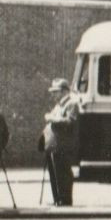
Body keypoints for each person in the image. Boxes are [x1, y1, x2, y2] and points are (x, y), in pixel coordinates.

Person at [42, 77, 83, 206]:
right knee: (56, 173)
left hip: (63, 144)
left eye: (56, 91)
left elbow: (70, 121)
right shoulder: (59, 105)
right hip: (55, 145)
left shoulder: (71, 104)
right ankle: (58, 199)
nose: (53, 94)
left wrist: (52, 118)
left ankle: (64, 200)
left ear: (65, 91)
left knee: (63, 173)